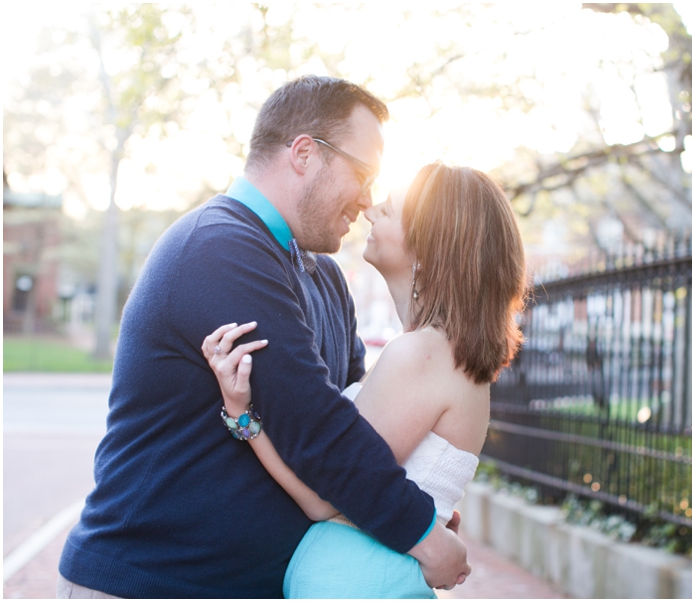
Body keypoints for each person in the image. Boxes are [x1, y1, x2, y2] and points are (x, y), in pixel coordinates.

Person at [57, 76, 470, 599]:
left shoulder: (324, 277)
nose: (367, 199)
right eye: (362, 173)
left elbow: (358, 425)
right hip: (152, 580)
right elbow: (316, 429)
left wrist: (405, 511)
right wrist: (421, 535)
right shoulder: (220, 247)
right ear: (304, 153)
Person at [204, 162, 527, 598]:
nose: (370, 212)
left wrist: (244, 418)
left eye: (389, 210)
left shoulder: (421, 354)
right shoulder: (440, 352)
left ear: (429, 246)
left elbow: (325, 499)